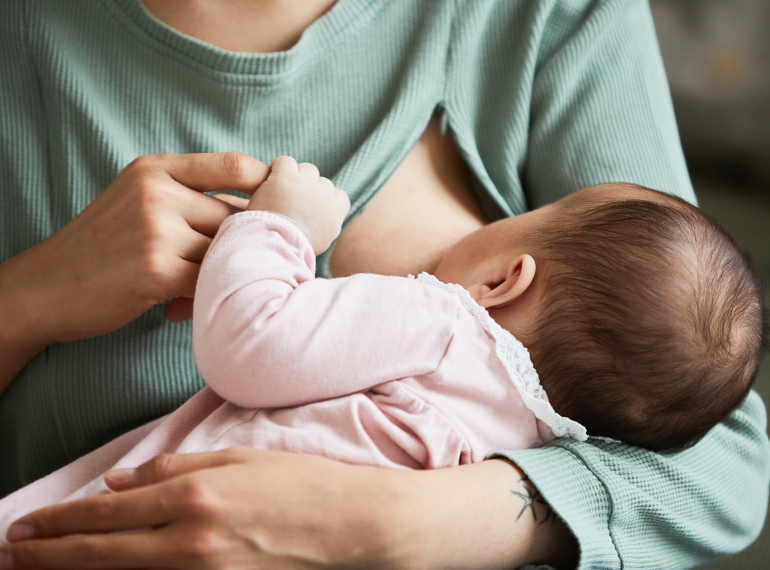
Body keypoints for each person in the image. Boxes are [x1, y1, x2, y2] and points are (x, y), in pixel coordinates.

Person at [0, 1, 768, 569]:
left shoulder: (550, 18)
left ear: (506, 278)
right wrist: (29, 297)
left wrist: (402, 526)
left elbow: (717, 462)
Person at [0, 162, 766, 537]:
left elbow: (248, 346)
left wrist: (279, 230)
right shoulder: (518, 442)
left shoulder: (441, 319)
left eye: (531, 210)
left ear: (505, 278)